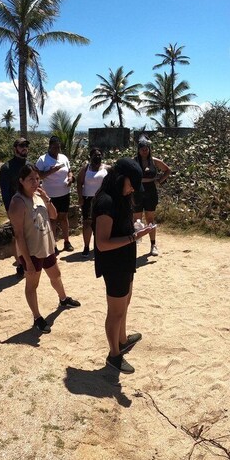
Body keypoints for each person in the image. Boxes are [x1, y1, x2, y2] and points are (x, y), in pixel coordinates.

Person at [92, 158, 156, 374]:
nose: (131, 190)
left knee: (125, 302)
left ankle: (122, 339)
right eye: (131, 185)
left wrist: (136, 231)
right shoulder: (106, 202)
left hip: (125, 260)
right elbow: (102, 243)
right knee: (116, 311)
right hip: (114, 264)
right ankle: (114, 354)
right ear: (121, 178)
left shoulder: (119, 196)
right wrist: (133, 237)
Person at [8, 164, 81, 334]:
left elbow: (54, 215)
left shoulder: (39, 196)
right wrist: (26, 260)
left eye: (36, 178)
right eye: (30, 179)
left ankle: (63, 299)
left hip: (46, 245)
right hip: (31, 251)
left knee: (55, 275)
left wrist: (47, 198)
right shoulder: (17, 202)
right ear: (21, 181)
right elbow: (18, 235)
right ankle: (37, 317)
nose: (34, 182)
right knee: (32, 284)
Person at [132, 137, 171, 256]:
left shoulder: (154, 161)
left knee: (150, 219)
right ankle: (133, 244)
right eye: (142, 149)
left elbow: (167, 170)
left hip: (150, 192)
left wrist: (159, 180)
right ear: (138, 150)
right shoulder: (134, 161)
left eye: (146, 149)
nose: (144, 151)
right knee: (136, 220)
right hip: (137, 192)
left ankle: (153, 244)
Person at [35, 136, 75, 253]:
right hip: (50, 195)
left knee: (63, 218)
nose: (57, 149)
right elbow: (38, 176)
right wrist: (51, 171)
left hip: (64, 193)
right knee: (52, 219)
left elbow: (69, 170)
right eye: (54, 147)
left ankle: (67, 241)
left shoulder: (63, 157)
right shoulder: (42, 160)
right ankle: (53, 244)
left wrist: (70, 177)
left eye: (58, 147)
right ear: (50, 146)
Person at [0, 137, 30, 277]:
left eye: (26, 145)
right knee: (17, 236)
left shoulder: (30, 165)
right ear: (15, 148)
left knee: (29, 234)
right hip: (15, 207)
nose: (25, 148)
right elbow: (5, 192)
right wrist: (9, 211)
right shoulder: (6, 168)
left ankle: (28, 260)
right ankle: (19, 263)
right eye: (22, 145)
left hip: (30, 205)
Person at [77, 147, 109, 257]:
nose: (98, 157)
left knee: (102, 223)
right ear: (90, 157)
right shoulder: (86, 169)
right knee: (87, 223)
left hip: (103, 199)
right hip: (88, 199)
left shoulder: (106, 168)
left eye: (99, 155)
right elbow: (79, 182)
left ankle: (100, 245)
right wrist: (80, 197)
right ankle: (86, 247)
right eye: (95, 155)